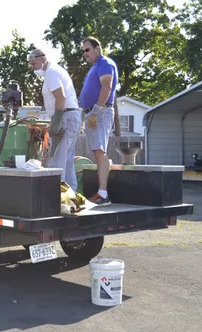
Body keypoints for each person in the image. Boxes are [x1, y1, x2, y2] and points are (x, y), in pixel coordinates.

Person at [28, 48, 81, 192]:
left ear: (42, 58)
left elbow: (60, 97)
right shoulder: (57, 70)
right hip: (71, 116)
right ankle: (71, 197)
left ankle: (56, 199)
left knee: (57, 161)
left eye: (33, 64)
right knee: (67, 161)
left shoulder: (51, 72)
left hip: (65, 116)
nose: (33, 68)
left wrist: (56, 121)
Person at [79, 37, 119, 206]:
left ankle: (103, 194)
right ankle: (101, 193)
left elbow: (107, 86)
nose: (84, 54)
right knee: (97, 150)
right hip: (94, 113)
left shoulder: (104, 62)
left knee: (99, 150)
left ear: (97, 48)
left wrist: (95, 112)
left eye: (87, 50)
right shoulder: (95, 66)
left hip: (100, 112)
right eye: (83, 51)